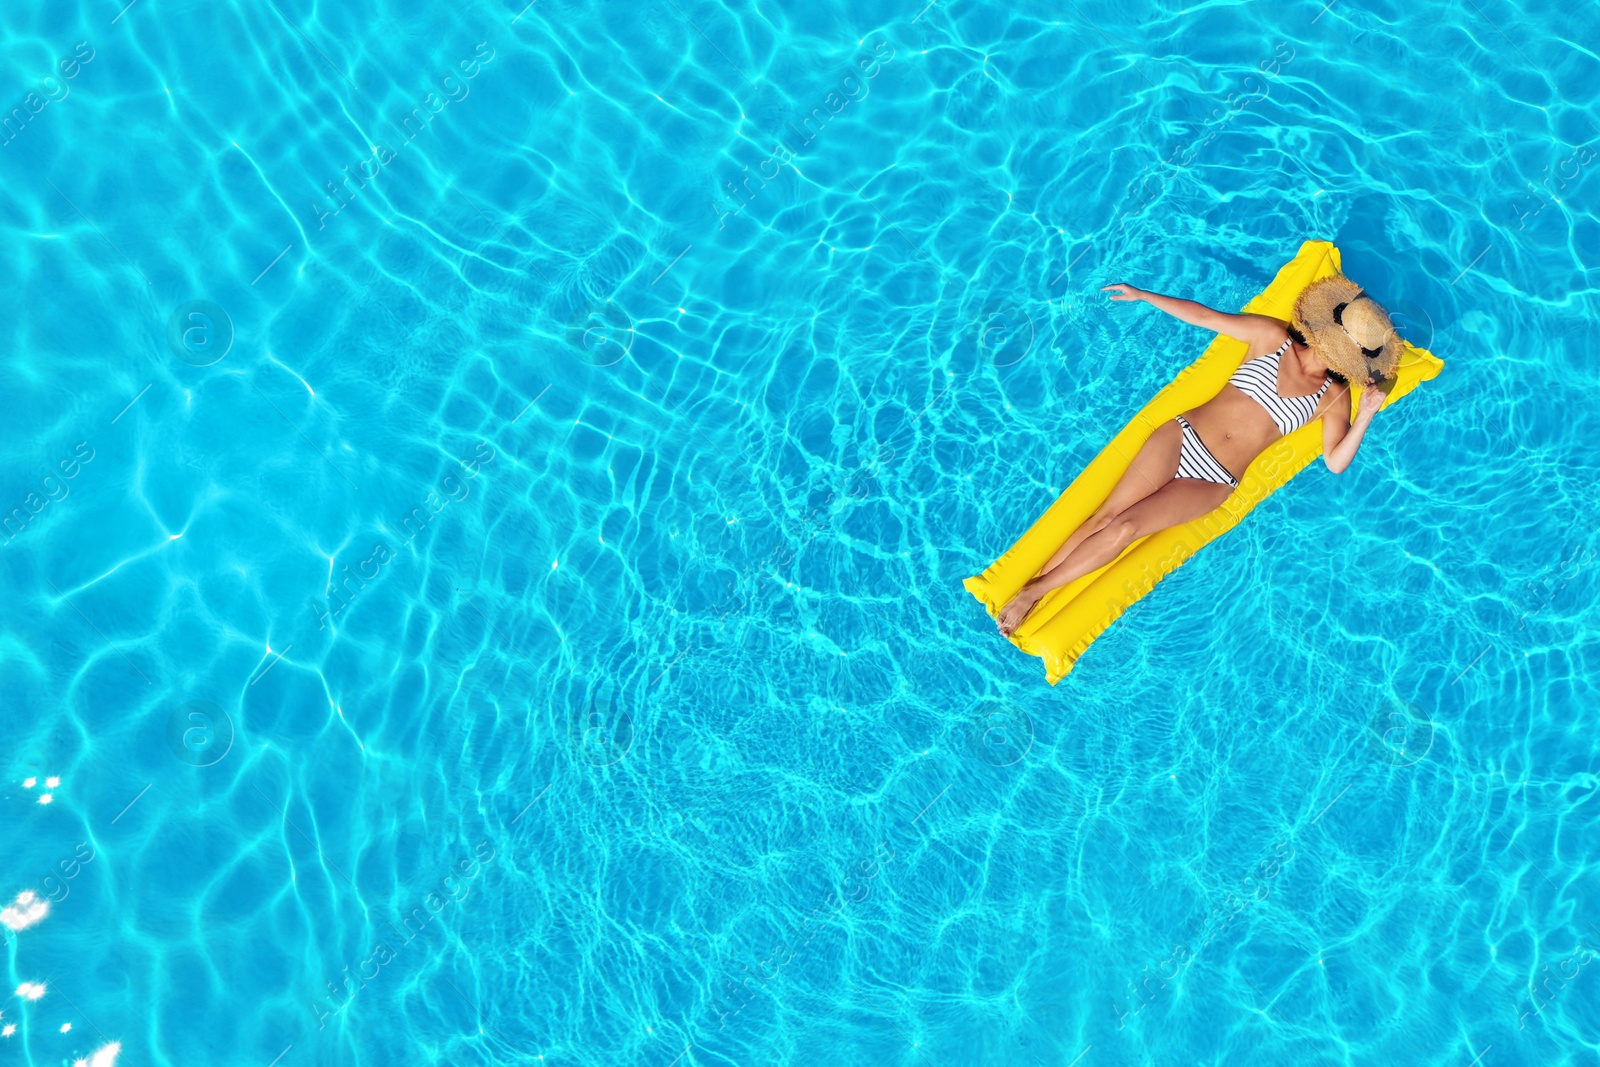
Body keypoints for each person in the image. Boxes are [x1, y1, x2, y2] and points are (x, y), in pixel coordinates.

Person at [995, 274, 1402, 636]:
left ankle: (1035, 591)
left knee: (1126, 529)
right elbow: (1206, 317)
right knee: (1104, 517)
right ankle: (1032, 592)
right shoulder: (1272, 337)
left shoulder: (1334, 396)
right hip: (1181, 437)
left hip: (1213, 482)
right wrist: (1144, 295)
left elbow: (1335, 461)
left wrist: (1365, 415)